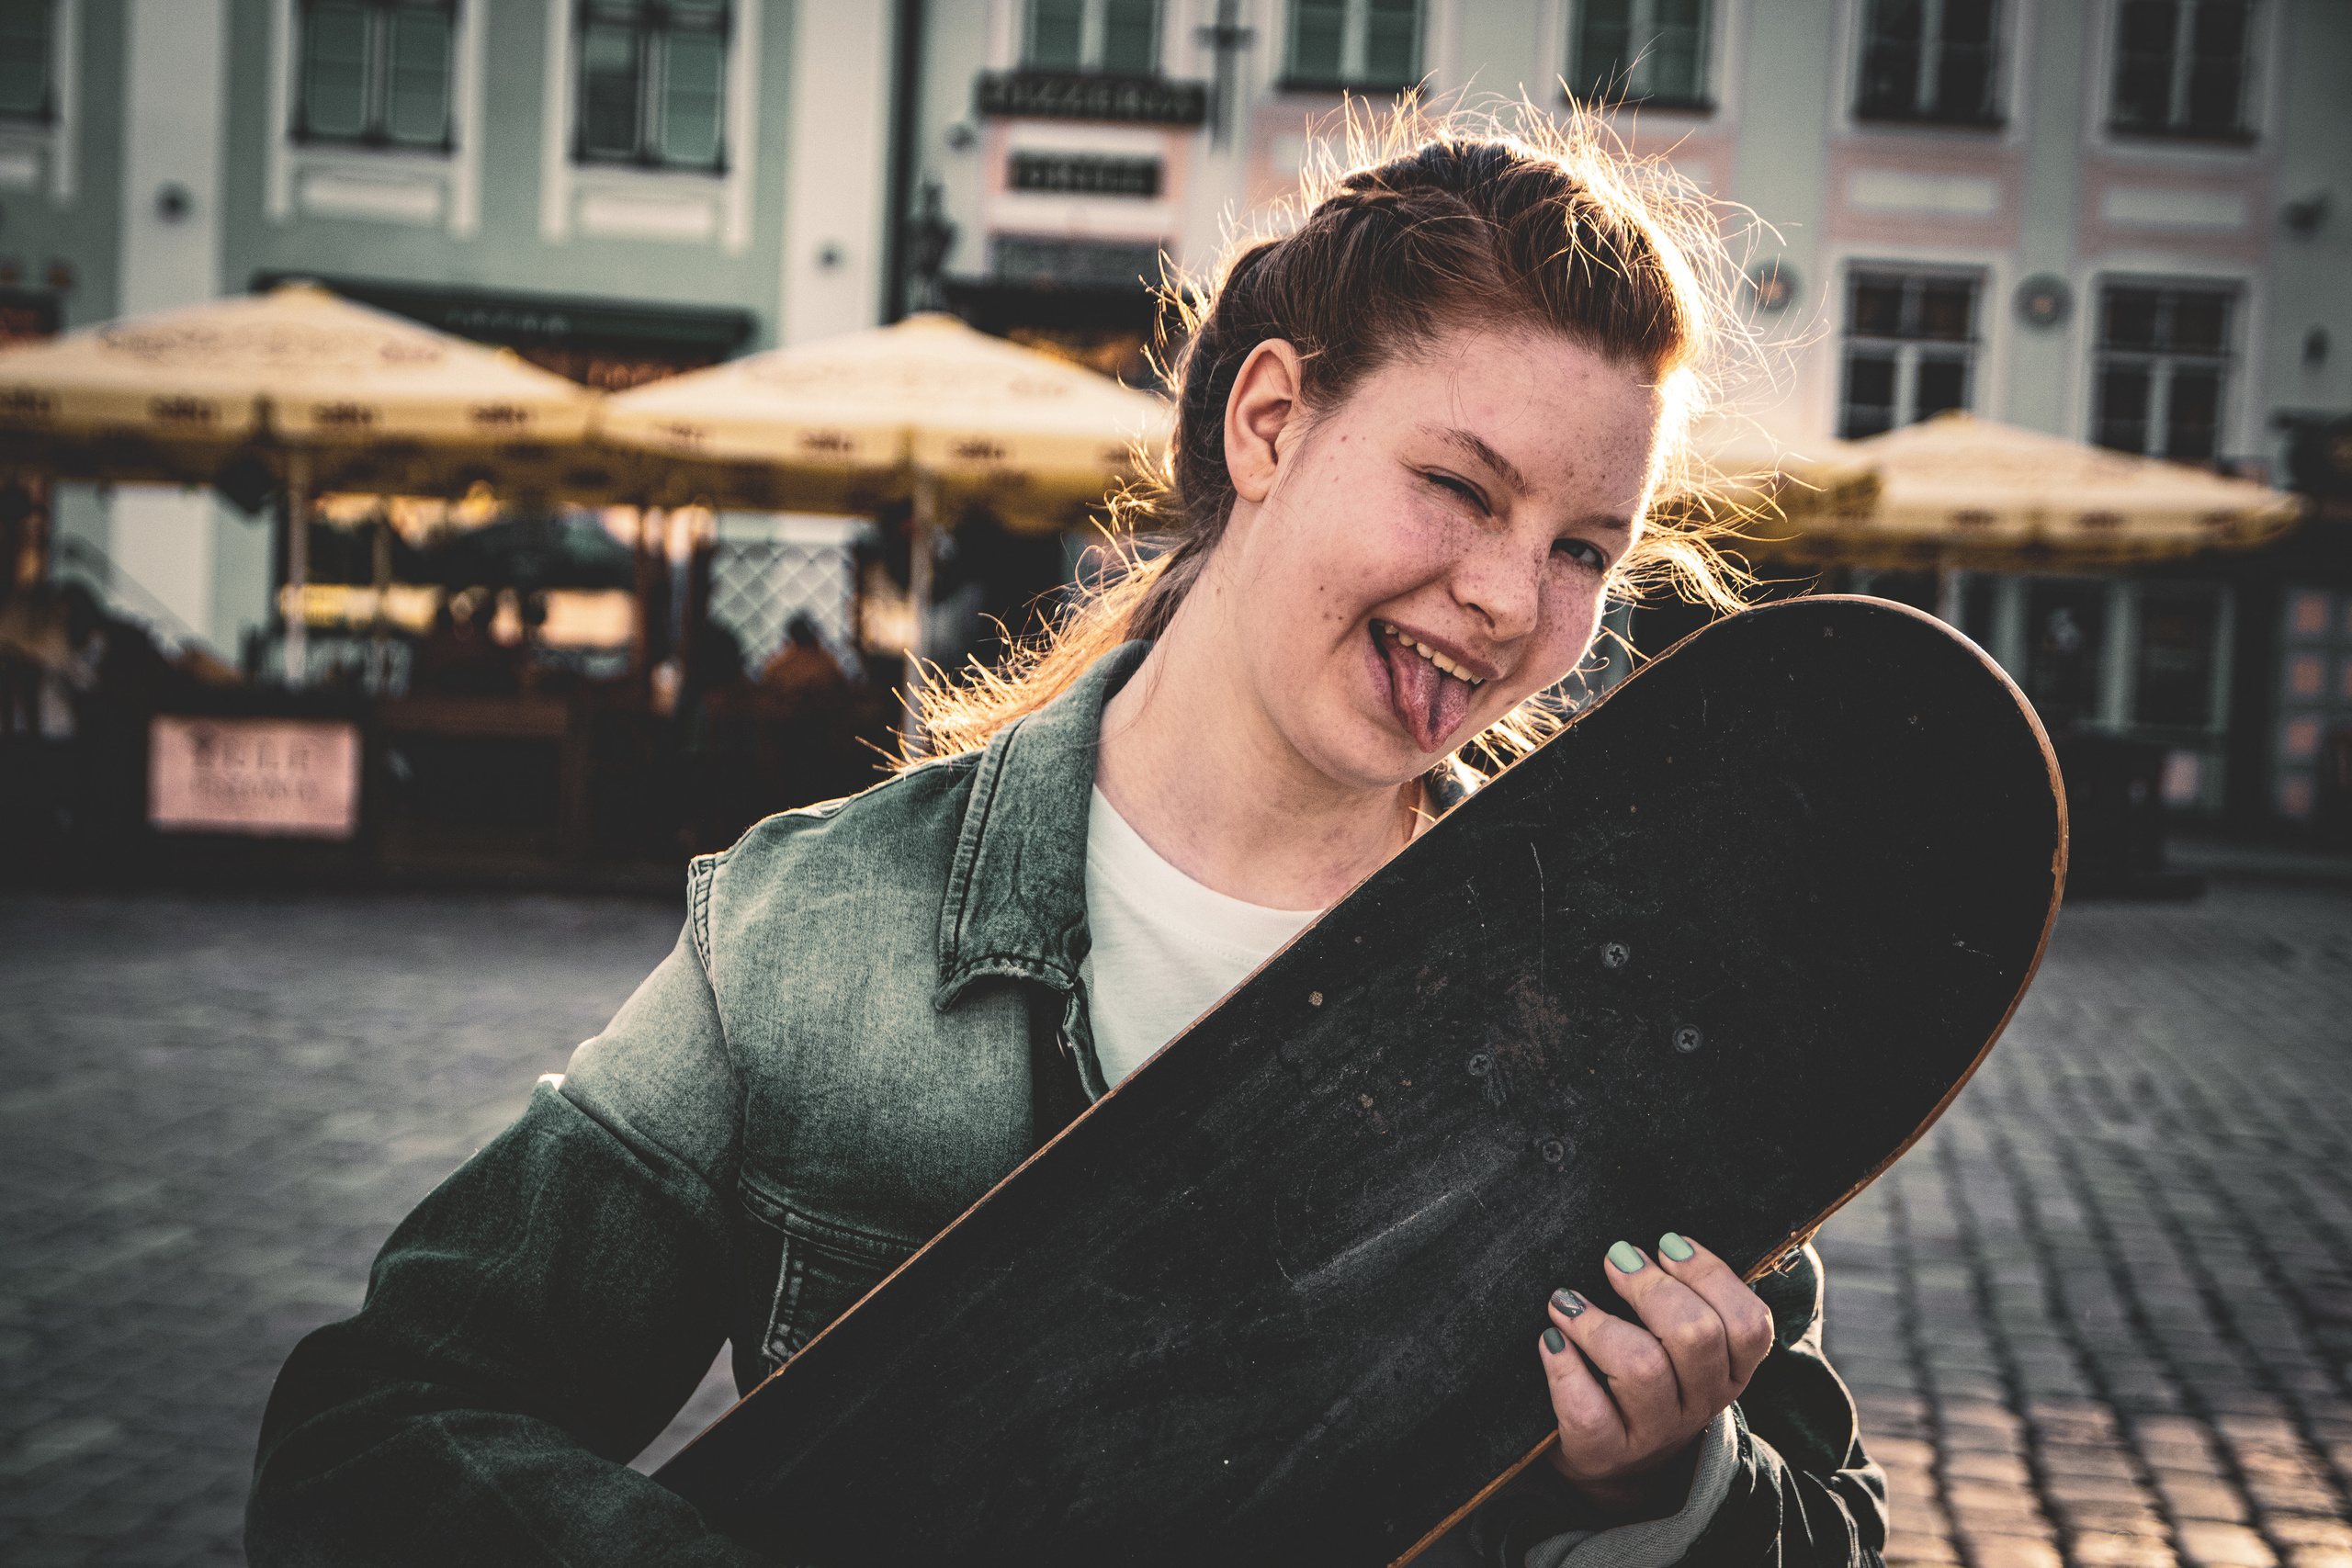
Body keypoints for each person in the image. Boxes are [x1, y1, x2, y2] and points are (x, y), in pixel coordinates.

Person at [247, 112, 1885, 1566]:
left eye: (1586, 547)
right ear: (1266, 423)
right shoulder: (819, 935)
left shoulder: (1623, 1004)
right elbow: (382, 1426)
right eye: (1461, 486)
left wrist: (1672, 1491)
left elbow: (1832, 1535)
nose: (1516, 602)